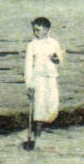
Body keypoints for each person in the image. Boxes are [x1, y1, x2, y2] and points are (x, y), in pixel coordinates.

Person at [22, 17, 64, 149]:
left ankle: (39, 134)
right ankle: (36, 139)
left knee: (52, 108)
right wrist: (29, 85)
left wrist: (56, 59)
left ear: (46, 30)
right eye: (34, 30)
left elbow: (60, 61)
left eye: (38, 30)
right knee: (39, 110)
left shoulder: (54, 43)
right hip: (38, 80)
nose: (35, 33)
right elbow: (28, 66)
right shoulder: (32, 45)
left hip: (51, 78)